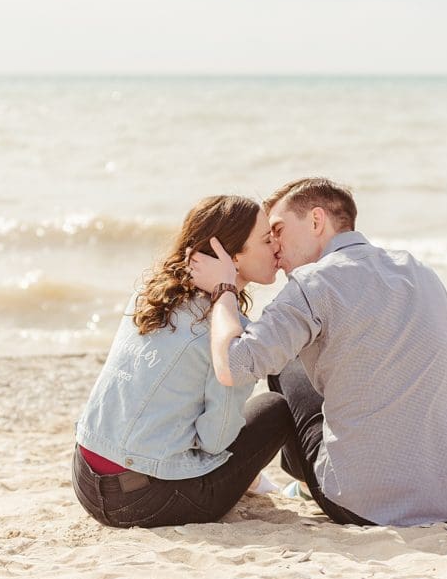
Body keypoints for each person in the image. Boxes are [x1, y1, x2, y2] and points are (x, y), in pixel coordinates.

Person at [188, 177, 447, 527]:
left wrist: (223, 289)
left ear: (316, 221)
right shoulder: (422, 272)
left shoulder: (311, 285)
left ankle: (303, 478)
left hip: (358, 503)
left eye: (278, 229)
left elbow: (234, 365)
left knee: (286, 363)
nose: (274, 246)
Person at [72, 195, 292, 528]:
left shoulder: (149, 294)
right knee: (276, 409)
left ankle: (250, 481)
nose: (277, 246)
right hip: (144, 501)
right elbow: (216, 442)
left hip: (85, 481)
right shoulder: (231, 338)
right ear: (229, 258)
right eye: (266, 240)